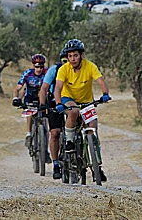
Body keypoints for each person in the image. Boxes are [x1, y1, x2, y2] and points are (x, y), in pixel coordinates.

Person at [54, 38, 111, 182]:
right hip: (68, 98)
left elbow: (101, 81)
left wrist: (105, 94)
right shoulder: (63, 69)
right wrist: (59, 102)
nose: (73, 59)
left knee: (93, 129)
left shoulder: (90, 66)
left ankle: (97, 167)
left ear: (81, 55)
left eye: (75, 55)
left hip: (86, 101)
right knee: (73, 112)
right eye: (70, 56)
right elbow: (58, 88)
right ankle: (69, 141)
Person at [39, 48, 68, 180]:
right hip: (54, 102)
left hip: (72, 101)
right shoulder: (54, 70)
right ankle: (55, 163)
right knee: (55, 132)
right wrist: (43, 104)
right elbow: (44, 88)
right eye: (64, 60)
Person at [13, 53, 47, 148]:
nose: (39, 69)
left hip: (42, 97)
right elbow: (18, 88)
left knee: (46, 118)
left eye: (41, 67)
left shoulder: (47, 73)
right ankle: (28, 134)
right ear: (33, 65)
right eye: (37, 67)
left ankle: (45, 145)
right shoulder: (28, 73)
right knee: (30, 112)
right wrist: (16, 99)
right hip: (30, 97)